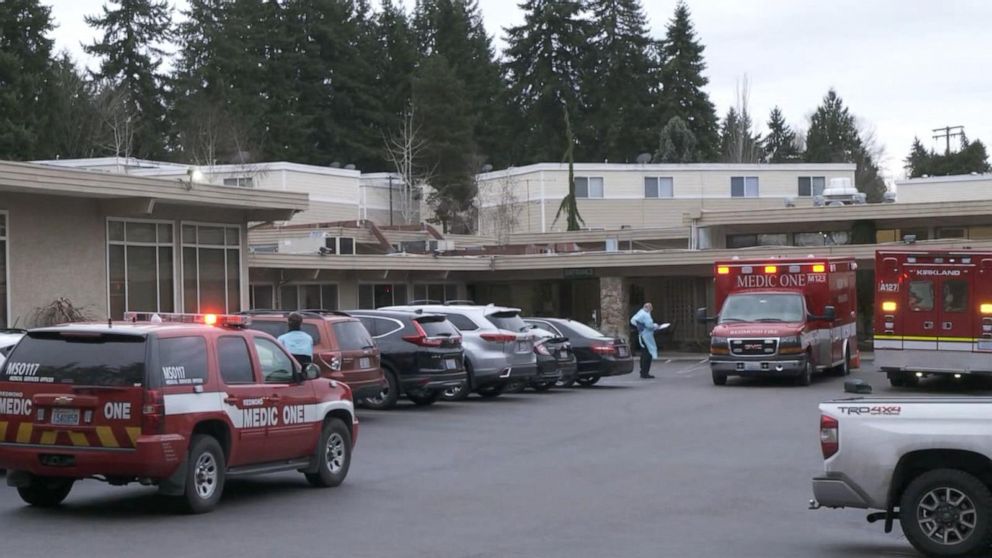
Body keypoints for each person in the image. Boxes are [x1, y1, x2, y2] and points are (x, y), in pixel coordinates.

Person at [630, 303, 660, 379]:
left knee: (643, 354)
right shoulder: (646, 315)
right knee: (648, 354)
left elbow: (633, 320)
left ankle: (642, 371)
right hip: (647, 336)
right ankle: (645, 372)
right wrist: (655, 326)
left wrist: (639, 326)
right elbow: (649, 325)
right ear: (650, 308)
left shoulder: (640, 313)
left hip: (642, 335)